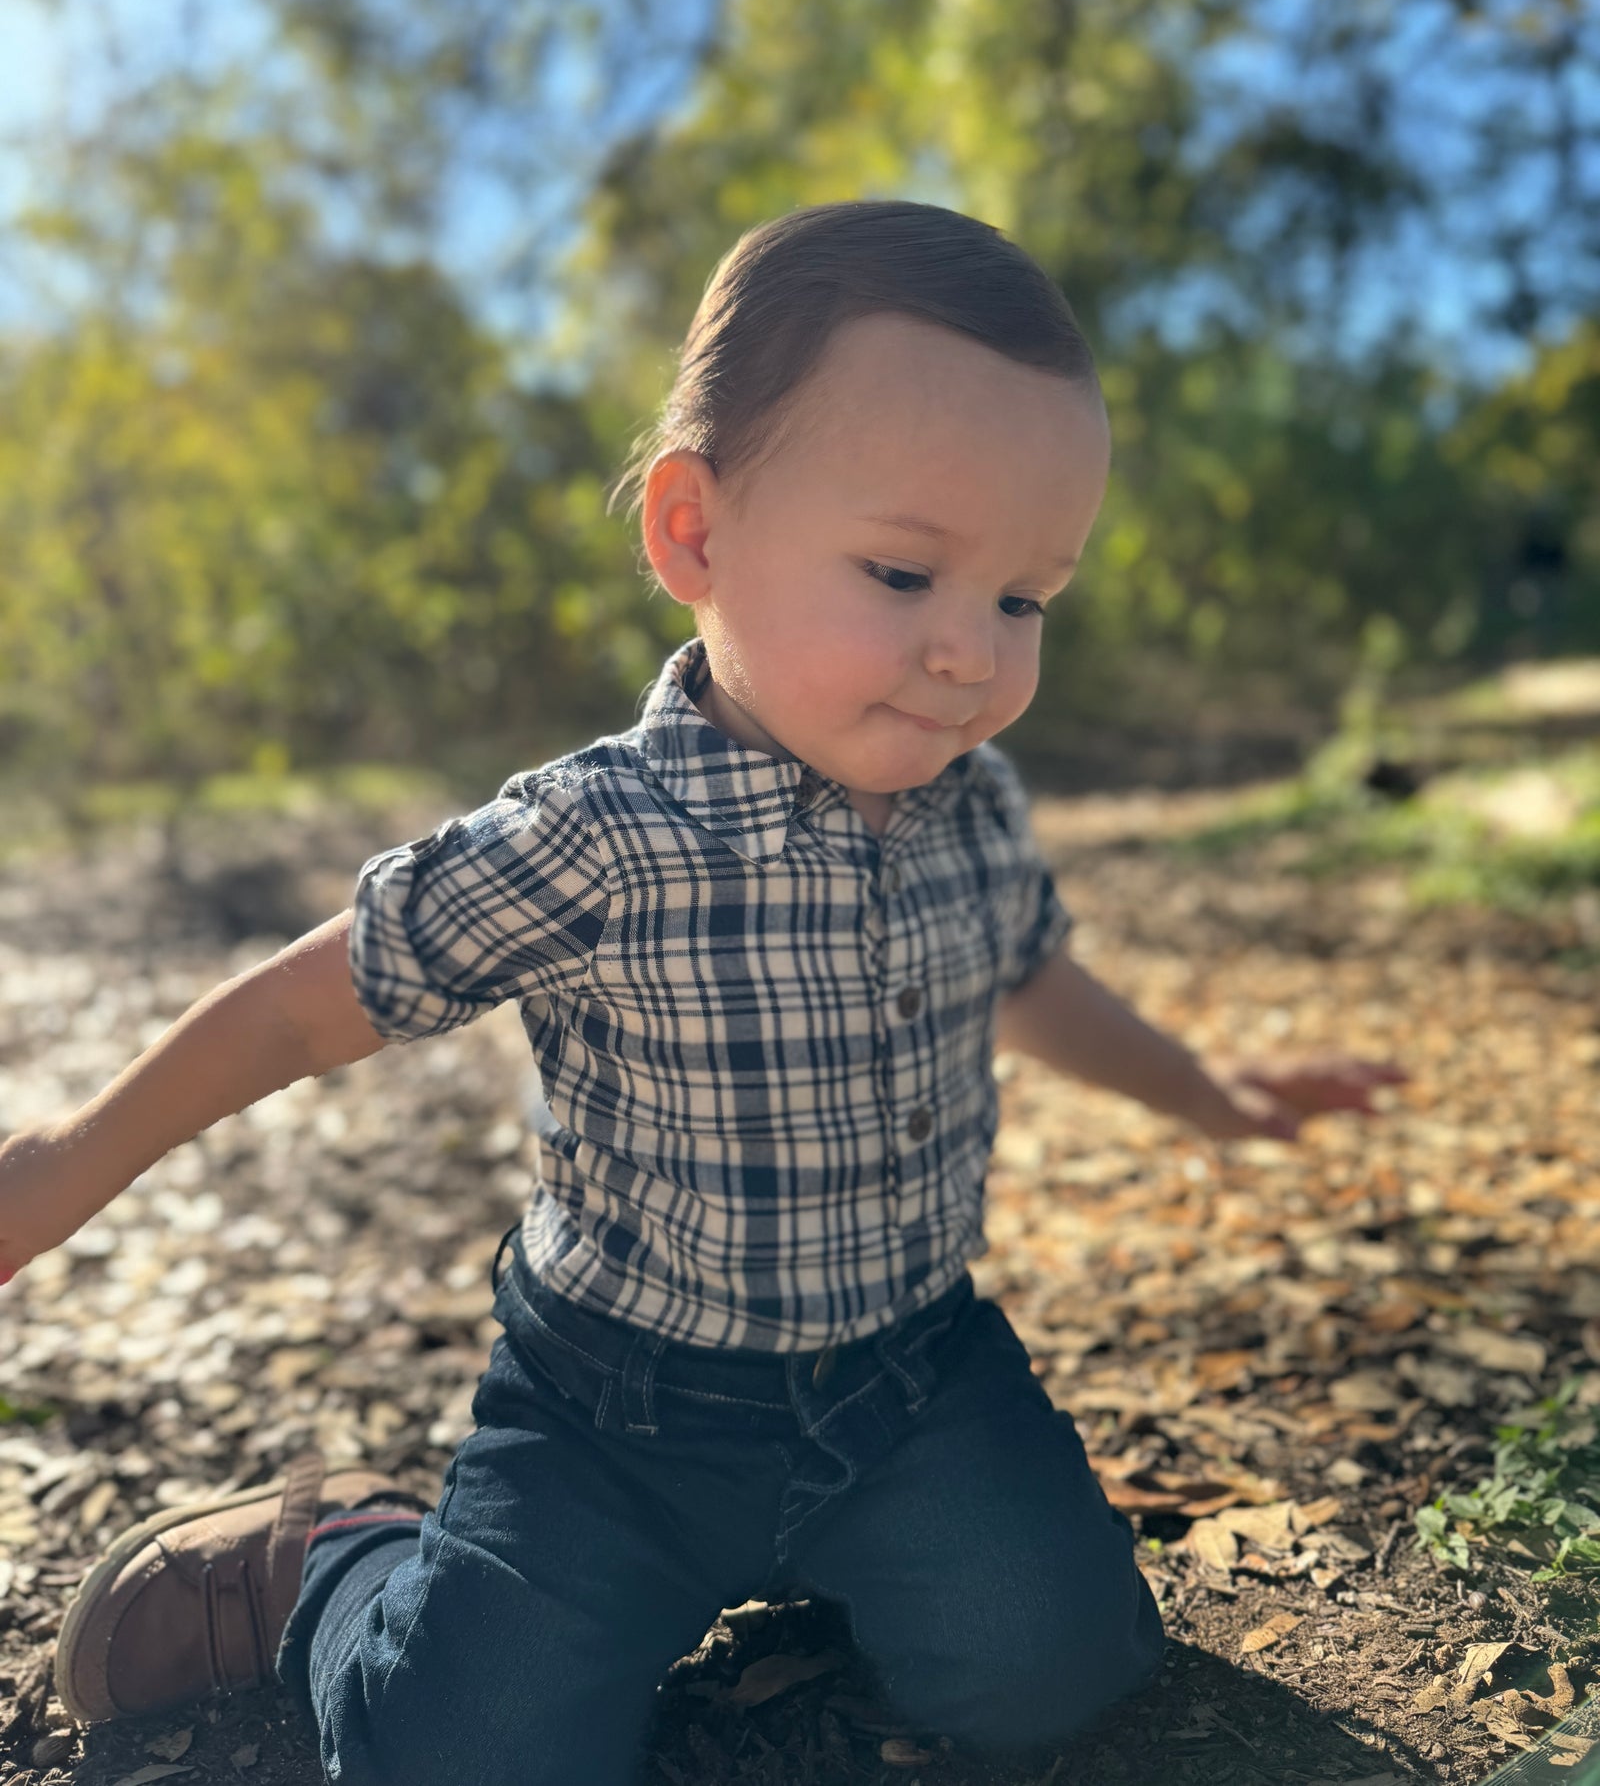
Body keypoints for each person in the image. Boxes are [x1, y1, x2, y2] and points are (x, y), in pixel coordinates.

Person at [0, 201, 1401, 1786]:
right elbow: (311, 1003)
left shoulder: (973, 805)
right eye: (902, 570)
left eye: (1025, 598)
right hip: (617, 1414)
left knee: (1063, 1665)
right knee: (467, 1751)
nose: (971, 656)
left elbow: (1039, 982)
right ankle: (333, 1564)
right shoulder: (601, 833)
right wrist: (69, 1158)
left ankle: (851, 1564)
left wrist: (1210, 1094)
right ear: (693, 535)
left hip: (908, 1381)